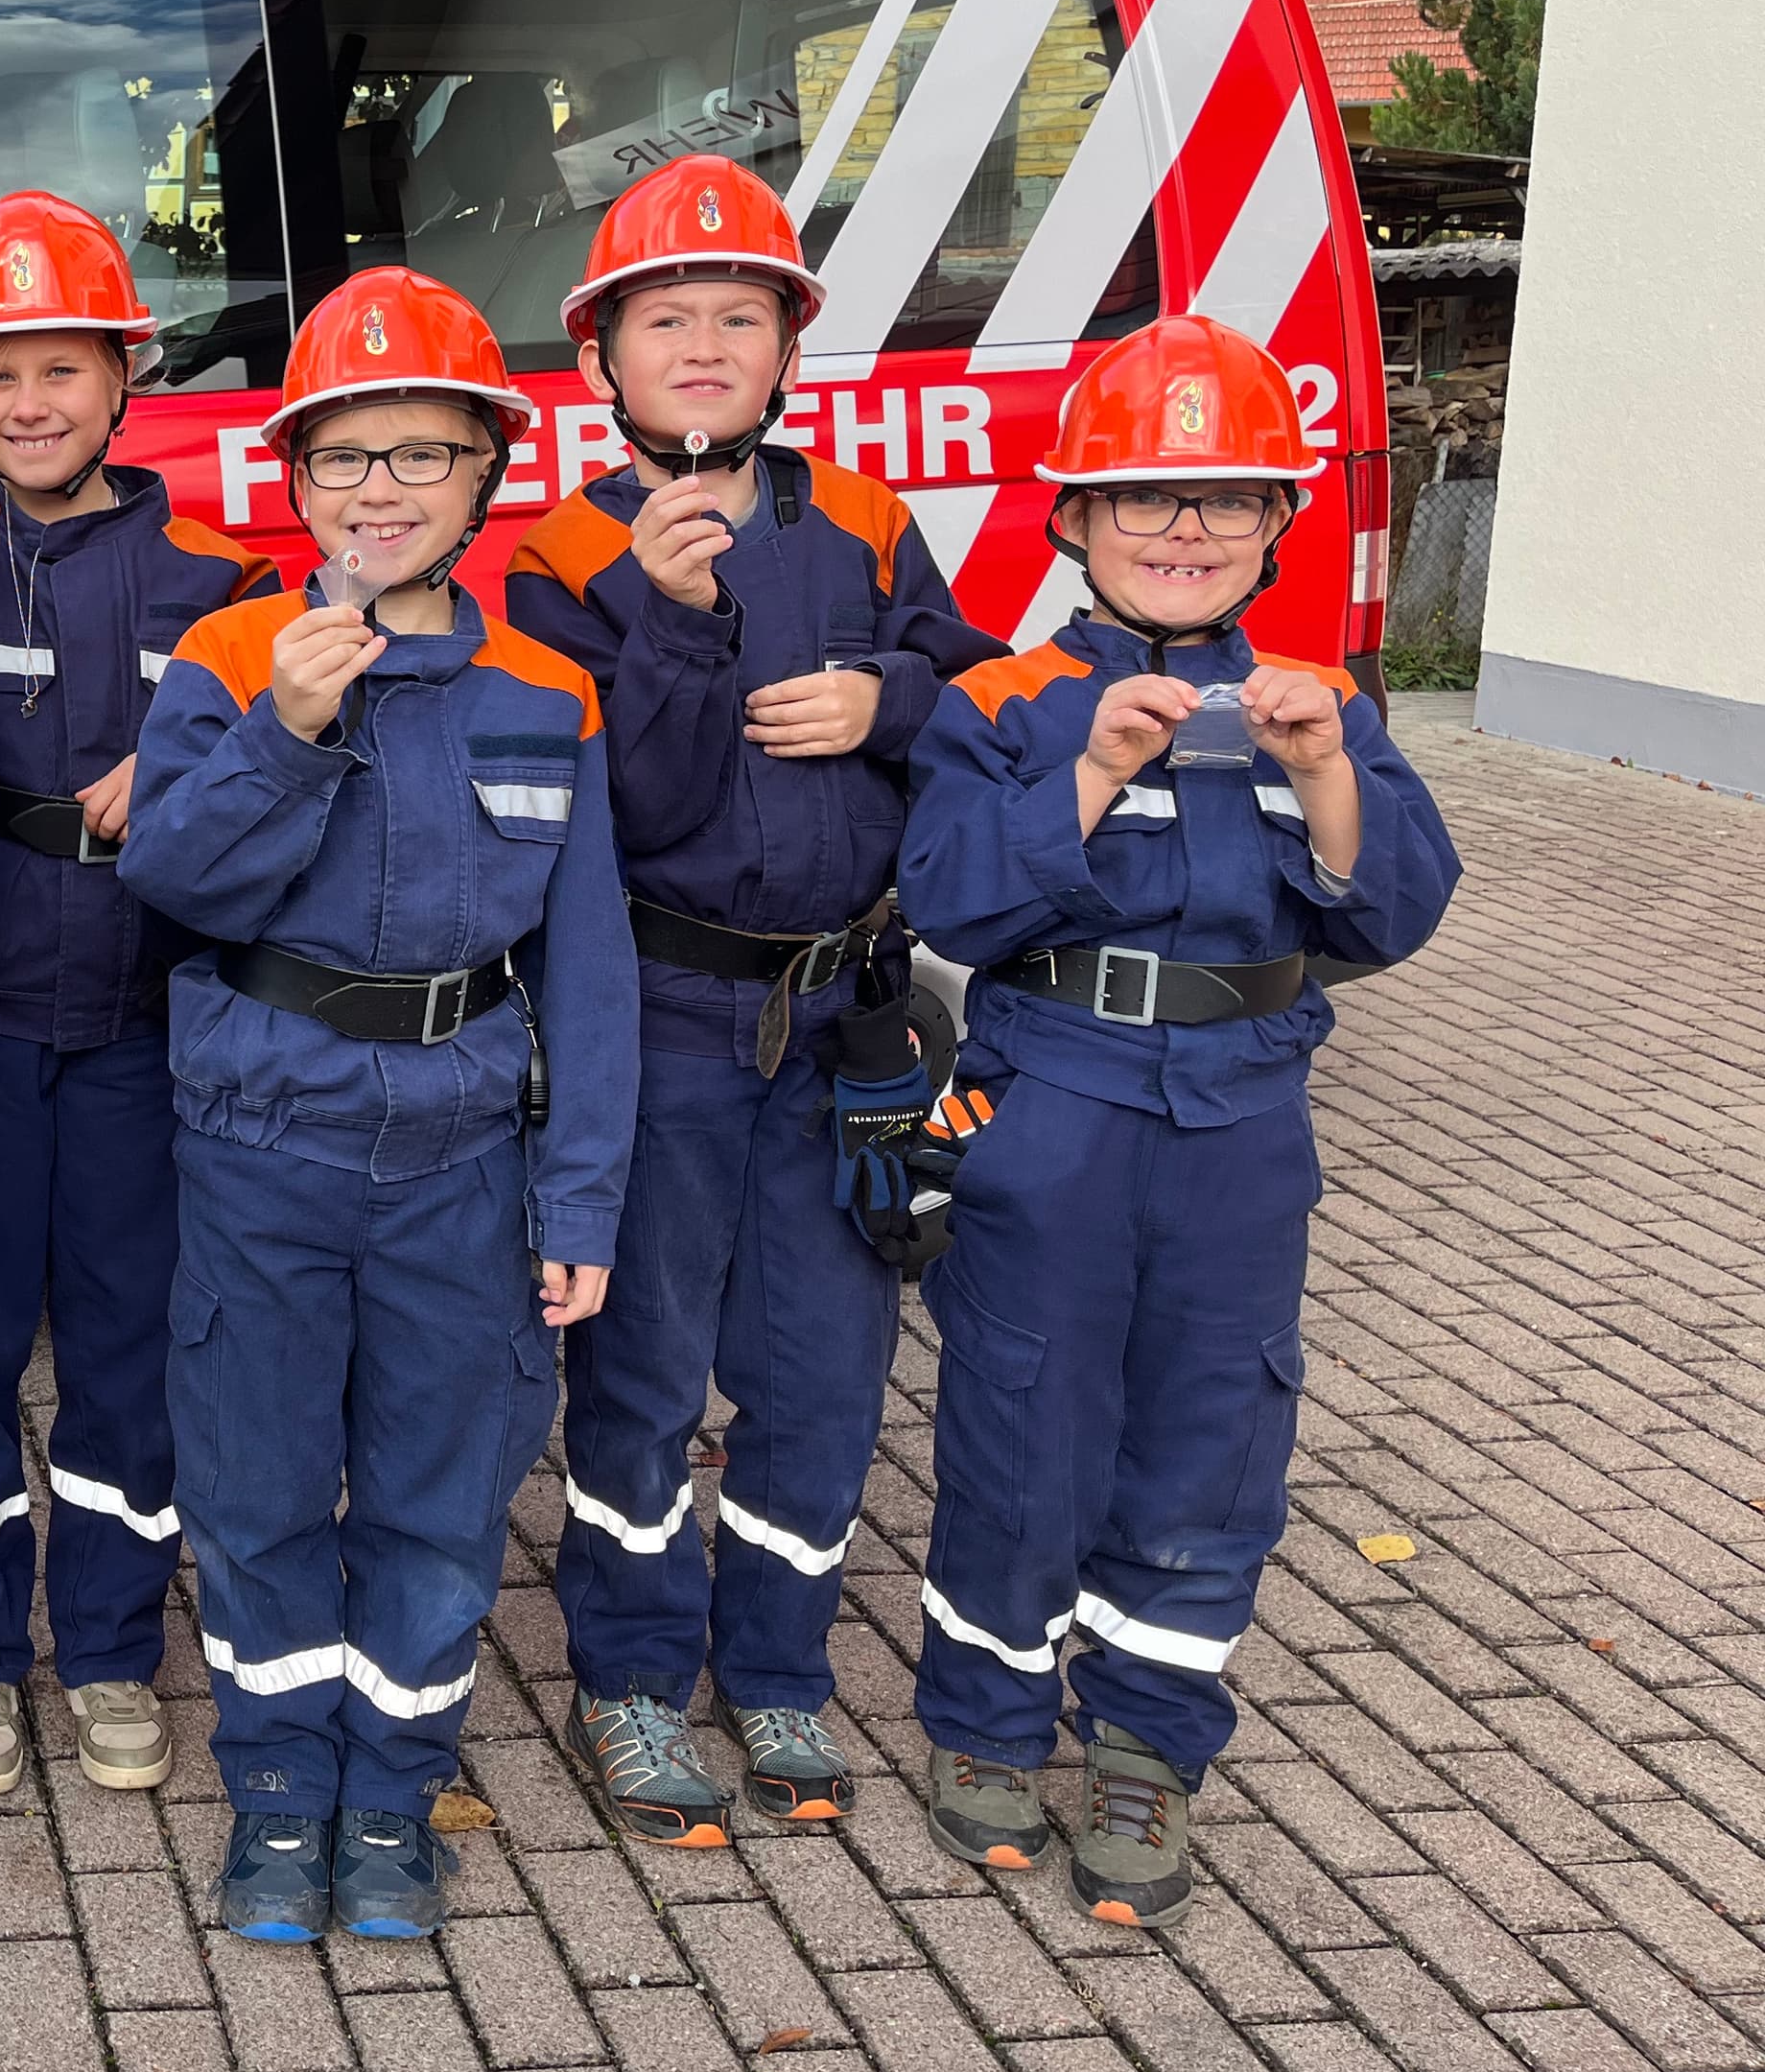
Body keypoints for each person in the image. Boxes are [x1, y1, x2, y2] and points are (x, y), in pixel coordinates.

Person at [902, 314, 1457, 1928]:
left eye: (1226, 497)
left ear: (1281, 522)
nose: (1188, 529)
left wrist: (1328, 766)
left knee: (1217, 1427)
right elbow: (948, 898)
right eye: (1145, 497)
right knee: (1024, 1410)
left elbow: (1391, 914)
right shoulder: (1007, 694)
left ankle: (1147, 1742)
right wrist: (1083, 772)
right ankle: (990, 1725)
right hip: (1057, 1093)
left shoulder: (1322, 698)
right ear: (1071, 517)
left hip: (1242, 1112)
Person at [122, 269, 638, 1944]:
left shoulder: (546, 697)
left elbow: (594, 975)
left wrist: (582, 1207)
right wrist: (288, 722)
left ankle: (397, 1794)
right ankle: (279, 1796)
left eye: (422, 455)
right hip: (263, 1142)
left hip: (461, 1158)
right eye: (344, 460)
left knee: (438, 1482)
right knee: (261, 1480)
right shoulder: (226, 655)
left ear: (488, 473)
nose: (381, 491)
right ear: (296, 482)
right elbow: (175, 878)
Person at [505, 154, 1006, 1848]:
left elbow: (979, 687)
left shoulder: (865, 519)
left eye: (740, 315)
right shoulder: (566, 558)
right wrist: (675, 615)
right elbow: (612, 806)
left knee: (823, 1366)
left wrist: (885, 696)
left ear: (791, 349)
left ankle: (778, 1666)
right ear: (605, 362)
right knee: (641, 1364)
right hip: (660, 1016)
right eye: (668, 319)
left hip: (849, 1019)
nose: (705, 345)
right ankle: (635, 1678)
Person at [0, 191, 271, 1804]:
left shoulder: (218, 578)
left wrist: (180, 774)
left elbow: (296, 770)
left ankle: (109, 1648)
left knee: (128, 1355)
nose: (28, 404)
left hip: (141, 1029)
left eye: (62, 368)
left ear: (126, 377)